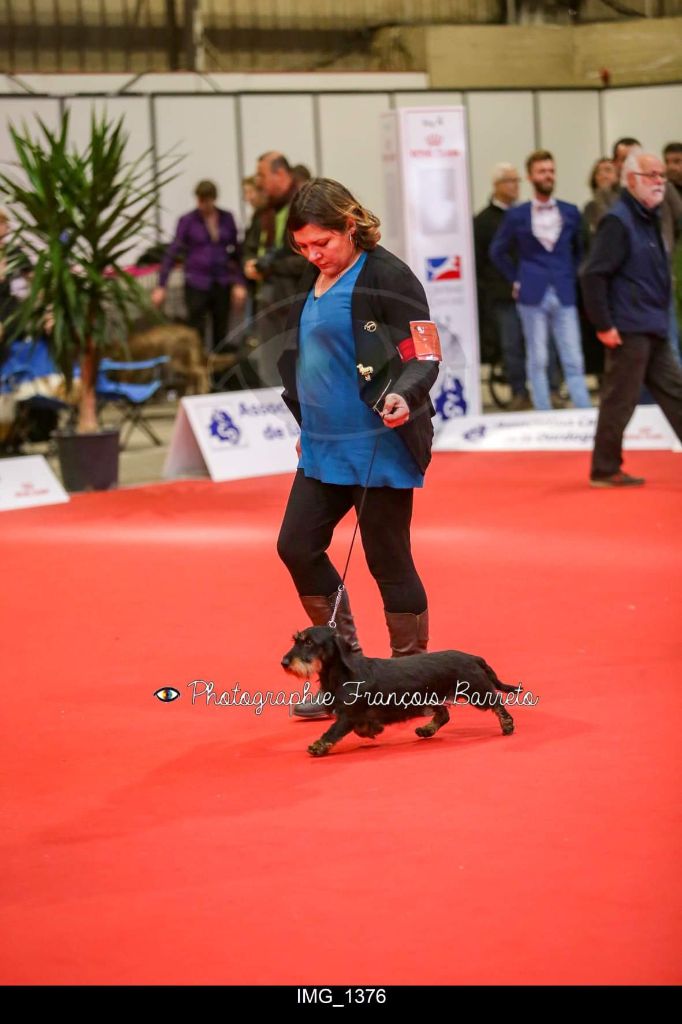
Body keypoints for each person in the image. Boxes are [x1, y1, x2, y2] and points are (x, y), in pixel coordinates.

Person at [276, 178, 439, 718]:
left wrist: (403, 395)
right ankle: (344, 675)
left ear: (350, 225)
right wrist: (308, 421)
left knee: (387, 559)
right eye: (302, 246)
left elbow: (424, 353)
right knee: (296, 546)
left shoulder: (389, 274)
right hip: (322, 447)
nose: (312, 255)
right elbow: (307, 361)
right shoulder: (315, 277)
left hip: (380, 444)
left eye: (322, 242)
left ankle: (410, 685)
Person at [580, 150, 682, 487]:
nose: (660, 182)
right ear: (632, 179)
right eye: (652, 175)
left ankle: (606, 467)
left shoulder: (651, 216)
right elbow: (593, 275)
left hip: (653, 324)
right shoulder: (618, 221)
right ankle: (604, 469)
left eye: (662, 176)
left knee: (675, 393)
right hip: (628, 328)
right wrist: (604, 325)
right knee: (619, 401)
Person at [490, 149, 591, 411]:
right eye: (542, 171)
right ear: (531, 176)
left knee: (573, 355)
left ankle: (584, 409)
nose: (548, 175)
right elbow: (497, 251)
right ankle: (543, 409)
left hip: (563, 288)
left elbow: (581, 248)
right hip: (531, 290)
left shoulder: (570, 211)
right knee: (538, 356)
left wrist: (572, 273)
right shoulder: (517, 214)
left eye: (551, 171)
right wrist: (515, 279)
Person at [153, 180, 245, 353]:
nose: (202, 204)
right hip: (196, 282)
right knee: (195, 332)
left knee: (221, 331)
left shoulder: (226, 218)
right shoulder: (188, 221)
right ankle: (198, 367)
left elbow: (236, 253)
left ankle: (219, 367)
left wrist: (239, 282)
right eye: (199, 200)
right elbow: (173, 251)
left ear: (213, 199)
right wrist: (161, 285)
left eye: (206, 200)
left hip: (221, 281)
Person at [243, 152, 307, 385]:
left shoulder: (304, 206)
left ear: (279, 174)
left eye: (262, 175)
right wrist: (250, 264)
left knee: (300, 369)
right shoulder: (264, 211)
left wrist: (272, 267)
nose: (258, 182)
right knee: (270, 370)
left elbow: (308, 259)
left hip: (297, 301)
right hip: (267, 300)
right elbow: (249, 247)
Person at [473, 163, 531, 411]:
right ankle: (519, 391)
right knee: (511, 344)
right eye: (509, 180)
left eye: (517, 180)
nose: (515, 185)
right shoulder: (483, 221)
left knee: (539, 344)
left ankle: (548, 389)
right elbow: (480, 261)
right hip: (502, 295)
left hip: (532, 291)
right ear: (496, 185)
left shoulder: (526, 214)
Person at [582, 157, 618, 245]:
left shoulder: (624, 204)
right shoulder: (589, 207)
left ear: (617, 176)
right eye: (598, 172)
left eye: (608, 170)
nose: (602, 174)